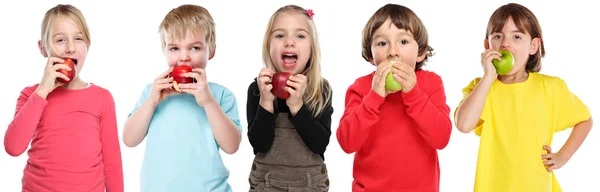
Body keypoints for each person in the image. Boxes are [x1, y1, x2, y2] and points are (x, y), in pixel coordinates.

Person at [454, 3, 593, 192]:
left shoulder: (550, 87)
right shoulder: (481, 88)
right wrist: (488, 78)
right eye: (497, 36)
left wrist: (563, 156)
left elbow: (585, 120)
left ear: (533, 46)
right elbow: (463, 124)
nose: (505, 43)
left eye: (516, 36)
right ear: (487, 45)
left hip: (538, 186)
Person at [4, 4, 124, 192]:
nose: (70, 48)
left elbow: (112, 164)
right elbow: (13, 147)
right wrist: (43, 90)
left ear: (87, 45)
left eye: (78, 39)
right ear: (43, 48)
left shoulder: (102, 98)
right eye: (60, 40)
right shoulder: (31, 95)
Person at [122, 4, 242, 192]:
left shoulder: (221, 95)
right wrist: (151, 102)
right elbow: (129, 139)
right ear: (165, 50)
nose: (184, 57)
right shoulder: (152, 93)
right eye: (175, 48)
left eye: (194, 48)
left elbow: (232, 146)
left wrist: (208, 102)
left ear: (211, 51)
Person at [336, 3, 452, 192]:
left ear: (421, 53)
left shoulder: (431, 83)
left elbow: (441, 138)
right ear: (371, 56)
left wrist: (413, 93)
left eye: (403, 42)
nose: (392, 51)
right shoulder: (361, 88)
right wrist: (374, 97)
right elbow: (347, 143)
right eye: (382, 43)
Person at [246, 5, 333, 192]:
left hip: (311, 185)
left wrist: (297, 106)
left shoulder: (321, 89)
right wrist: (266, 102)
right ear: (268, 45)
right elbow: (259, 144)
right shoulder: (257, 89)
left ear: (312, 47)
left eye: (300, 36)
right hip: (266, 184)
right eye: (280, 35)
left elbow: (319, 144)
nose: (289, 42)